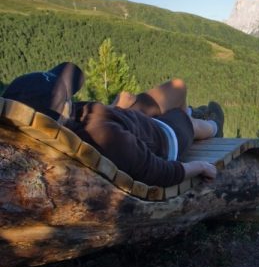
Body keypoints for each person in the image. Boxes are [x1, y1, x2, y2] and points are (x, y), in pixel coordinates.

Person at [2, 62, 224, 188]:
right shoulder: (102, 136)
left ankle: (193, 113)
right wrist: (201, 167)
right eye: (68, 98)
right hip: (163, 136)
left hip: (126, 119)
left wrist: (115, 107)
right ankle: (211, 124)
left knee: (177, 86)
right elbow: (157, 172)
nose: (71, 99)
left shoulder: (68, 125)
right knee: (184, 118)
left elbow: (98, 124)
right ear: (61, 113)